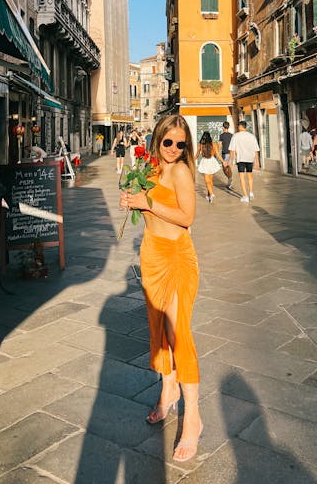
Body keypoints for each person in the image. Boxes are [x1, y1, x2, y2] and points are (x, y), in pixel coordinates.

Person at [120, 116, 202, 462]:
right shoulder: (149, 166)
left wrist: (146, 203)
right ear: (158, 140)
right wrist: (131, 198)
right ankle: (168, 390)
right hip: (151, 253)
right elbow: (141, 201)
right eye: (168, 142)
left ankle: (194, 417)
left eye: (180, 144)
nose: (173, 150)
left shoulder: (182, 171)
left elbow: (187, 217)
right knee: (157, 330)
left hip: (176, 257)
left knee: (177, 331)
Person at [227, 120, 260, 203]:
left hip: (241, 159)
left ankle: (245, 196)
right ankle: (251, 192)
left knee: (242, 177)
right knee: (250, 175)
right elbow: (256, 150)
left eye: (238, 126)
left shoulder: (236, 136)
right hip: (250, 158)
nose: (238, 127)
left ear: (241, 127)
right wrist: (257, 162)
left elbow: (232, 150)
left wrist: (229, 161)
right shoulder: (252, 136)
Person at [195, 131, 222, 203]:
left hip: (206, 162)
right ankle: (209, 196)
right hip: (212, 161)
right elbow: (218, 154)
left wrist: (192, 159)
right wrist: (223, 161)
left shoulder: (201, 144)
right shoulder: (213, 144)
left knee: (207, 181)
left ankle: (212, 194)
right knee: (210, 181)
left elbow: (197, 154)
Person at [219, 121, 233, 189]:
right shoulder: (231, 135)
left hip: (224, 153)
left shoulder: (221, 135)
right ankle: (229, 180)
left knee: (224, 169)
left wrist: (217, 153)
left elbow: (219, 145)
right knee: (229, 167)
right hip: (230, 153)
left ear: (223, 127)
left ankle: (229, 179)